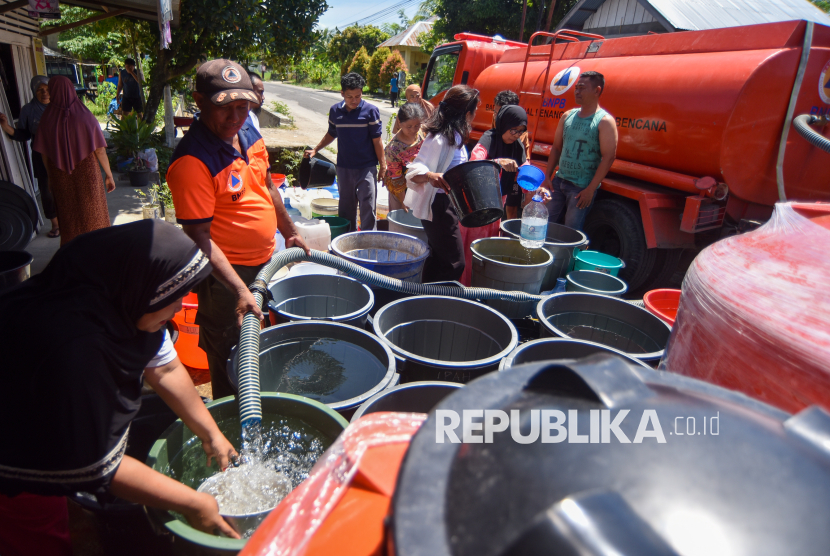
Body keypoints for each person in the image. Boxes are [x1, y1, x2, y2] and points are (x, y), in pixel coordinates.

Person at [0, 220, 241, 556]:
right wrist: (196, 503)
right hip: (12, 439)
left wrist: (211, 434)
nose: (178, 308)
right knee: (36, 525)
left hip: (41, 405)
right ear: (143, 287)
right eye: (173, 298)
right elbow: (99, 464)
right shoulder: (76, 348)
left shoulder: (122, 299)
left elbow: (167, 367)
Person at [166, 59, 309, 401]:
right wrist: (241, 290)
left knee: (255, 344)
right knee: (229, 353)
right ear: (199, 102)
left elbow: (267, 187)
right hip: (226, 276)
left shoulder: (247, 131)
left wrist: (290, 231)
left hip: (264, 262)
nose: (235, 116)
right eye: (224, 107)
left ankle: (254, 399)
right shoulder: (192, 160)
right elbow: (199, 238)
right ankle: (233, 418)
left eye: (243, 106)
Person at [406, 85, 480, 282]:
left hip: (449, 205)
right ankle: (437, 301)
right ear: (466, 113)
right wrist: (430, 175)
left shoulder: (455, 136)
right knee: (455, 264)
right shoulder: (439, 139)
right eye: (474, 110)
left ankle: (424, 298)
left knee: (439, 258)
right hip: (438, 207)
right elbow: (413, 172)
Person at [32, 76, 115, 246]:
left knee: (69, 219)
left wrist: (50, 178)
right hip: (87, 173)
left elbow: (45, 155)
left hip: (60, 176)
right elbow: (99, 150)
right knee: (93, 214)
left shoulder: (47, 119)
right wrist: (109, 175)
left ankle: (73, 257)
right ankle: (99, 253)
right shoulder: (85, 116)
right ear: (71, 90)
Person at [305, 72, 386, 233]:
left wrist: (383, 165)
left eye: (358, 96)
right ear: (342, 94)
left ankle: (368, 240)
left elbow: (377, 141)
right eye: (350, 97)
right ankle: (347, 240)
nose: (354, 100)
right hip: (344, 168)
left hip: (366, 167)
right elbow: (331, 133)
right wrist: (315, 149)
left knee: (368, 207)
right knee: (346, 208)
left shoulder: (371, 111)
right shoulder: (335, 111)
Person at [462, 105, 528, 285]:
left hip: (498, 201)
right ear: (503, 123)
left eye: (520, 131)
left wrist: (538, 188)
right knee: (472, 245)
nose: (515, 135)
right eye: (513, 129)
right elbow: (474, 162)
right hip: (479, 201)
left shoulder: (518, 146)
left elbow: (525, 169)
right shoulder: (489, 138)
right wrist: (498, 162)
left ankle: (482, 284)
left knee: (488, 244)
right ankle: (465, 284)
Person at [543, 71, 617, 231]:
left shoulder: (604, 122)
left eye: (582, 88)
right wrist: (548, 177)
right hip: (559, 181)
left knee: (571, 232)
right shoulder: (567, 116)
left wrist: (590, 189)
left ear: (597, 90)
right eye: (576, 88)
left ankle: (567, 257)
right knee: (545, 224)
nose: (577, 91)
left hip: (580, 189)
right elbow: (556, 147)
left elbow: (608, 157)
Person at [0, 75, 59, 237]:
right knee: (47, 192)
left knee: (65, 187)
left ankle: (69, 221)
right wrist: (6, 127)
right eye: (40, 90)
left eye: (47, 89)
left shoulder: (59, 107)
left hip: (61, 154)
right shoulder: (28, 110)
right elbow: (23, 135)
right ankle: (56, 225)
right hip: (40, 156)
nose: (44, 93)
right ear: (34, 91)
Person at [384, 102, 425, 212]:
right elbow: (396, 178)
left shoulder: (422, 133)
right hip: (401, 191)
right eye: (409, 127)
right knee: (401, 222)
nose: (413, 130)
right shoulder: (392, 149)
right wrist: (404, 202)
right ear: (399, 123)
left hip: (421, 187)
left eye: (417, 125)